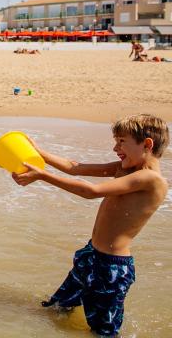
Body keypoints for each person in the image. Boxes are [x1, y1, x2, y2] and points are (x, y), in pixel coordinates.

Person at [11, 114, 169, 336]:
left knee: (102, 333)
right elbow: (74, 167)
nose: (115, 148)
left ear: (147, 144)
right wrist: (39, 155)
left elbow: (91, 191)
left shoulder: (151, 180)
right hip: (91, 255)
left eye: (121, 141)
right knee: (56, 309)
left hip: (111, 268)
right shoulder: (125, 169)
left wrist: (43, 176)